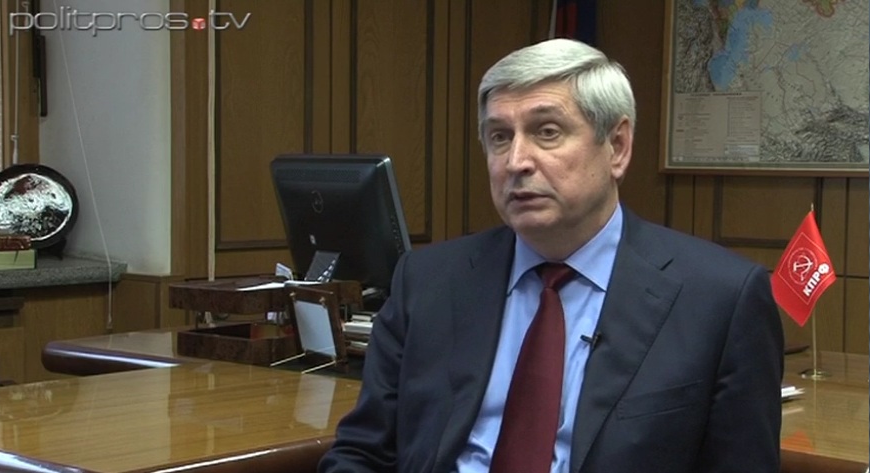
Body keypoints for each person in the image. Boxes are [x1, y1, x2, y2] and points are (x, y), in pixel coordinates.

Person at [318, 38, 783, 473]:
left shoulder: (719, 299)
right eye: (499, 137)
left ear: (617, 147)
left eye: (547, 132)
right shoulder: (427, 280)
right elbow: (362, 451)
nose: (516, 161)